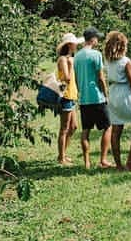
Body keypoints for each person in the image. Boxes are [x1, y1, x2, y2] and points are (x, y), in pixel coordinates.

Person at [103, 31, 131, 171]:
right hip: (124, 92)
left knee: (116, 130)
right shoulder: (126, 61)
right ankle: (130, 161)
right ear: (122, 45)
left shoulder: (108, 61)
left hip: (113, 92)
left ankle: (118, 165)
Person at [73, 27, 113, 169]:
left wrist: (80, 93)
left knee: (85, 131)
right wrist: (106, 94)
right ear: (93, 39)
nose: (98, 40)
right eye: (97, 38)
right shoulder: (96, 54)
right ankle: (103, 160)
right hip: (97, 97)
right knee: (108, 127)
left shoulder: (77, 56)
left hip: (84, 99)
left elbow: (76, 78)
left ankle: (87, 163)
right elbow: (101, 78)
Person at [55, 32, 83, 165]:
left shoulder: (69, 58)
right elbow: (66, 78)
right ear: (70, 45)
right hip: (65, 97)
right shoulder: (63, 59)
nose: (77, 46)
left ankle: (63, 154)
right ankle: (61, 157)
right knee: (64, 128)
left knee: (74, 127)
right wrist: (71, 65)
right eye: (75, 44)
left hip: (72, 96)